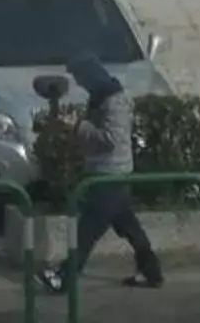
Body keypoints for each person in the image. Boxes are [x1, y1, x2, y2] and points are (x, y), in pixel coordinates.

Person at [38, 56, 165, 294]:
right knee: (130, 227)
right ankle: (151, 271)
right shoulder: (101, 97)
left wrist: (78, 126)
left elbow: (110, 140)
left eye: (80, 78)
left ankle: (64, 277)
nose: (80, 83)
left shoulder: (113, 102)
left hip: (110, 175)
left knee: (87, 230)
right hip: (108, 172)